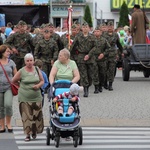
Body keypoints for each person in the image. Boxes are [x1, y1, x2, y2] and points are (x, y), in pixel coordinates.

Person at [12, 53, 44, 141]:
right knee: (26, 117)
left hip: (36, 97)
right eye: (27, 61)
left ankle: (34, 131)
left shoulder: (37, 69)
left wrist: (38, 86)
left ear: (33, 61)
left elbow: (42, 81)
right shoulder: (21, 71)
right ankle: (27, 134)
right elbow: (13, 80)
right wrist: (21, 86)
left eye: (31, 60)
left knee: (36, 116)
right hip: (24, 98)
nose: (29, 62)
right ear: (25, 62)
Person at [70, 22, 99, 97]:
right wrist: (71, 56)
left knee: (90, 74)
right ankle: (85, 90)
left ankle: (88, 85)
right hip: (81, 56)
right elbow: (73, 46)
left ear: (89, 28)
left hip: (90, 56)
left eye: (86, 27)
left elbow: (95, 47)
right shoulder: (78, 36)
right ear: (81, 28)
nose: (85, 29)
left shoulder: (92, 36)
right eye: (84, 27)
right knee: (83, 74)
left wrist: (89, 55)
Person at [0, 45, 17, 133]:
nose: (9, 53)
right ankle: (2, 125)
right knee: (0, 107)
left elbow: (16, 75)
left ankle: (9, 123)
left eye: (9, 51)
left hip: (8, 87)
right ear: (2, 53)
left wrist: (17, 83)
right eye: (7, 51)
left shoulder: (11, 62)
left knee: (8, 105)